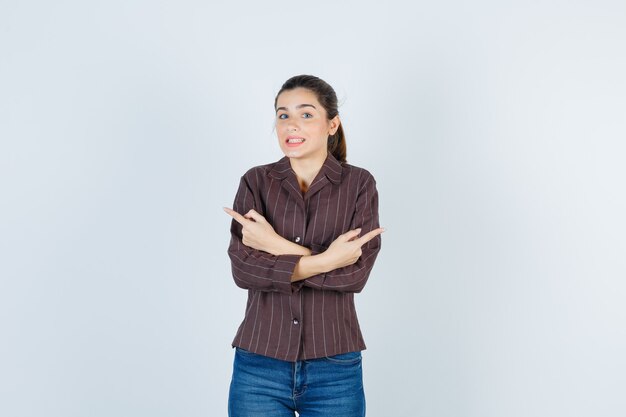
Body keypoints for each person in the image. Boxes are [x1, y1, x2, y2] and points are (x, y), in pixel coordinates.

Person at [223, 74, 384, 417]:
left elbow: (354, 276)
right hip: (259, 364)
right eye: (283, 115)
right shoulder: (255, 182)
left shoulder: (359, 184)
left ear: (332, 124)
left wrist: (273, 244)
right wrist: (327, 260)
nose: (291, 124)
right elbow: (244, 269)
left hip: (335, 366)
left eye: (306, 114)